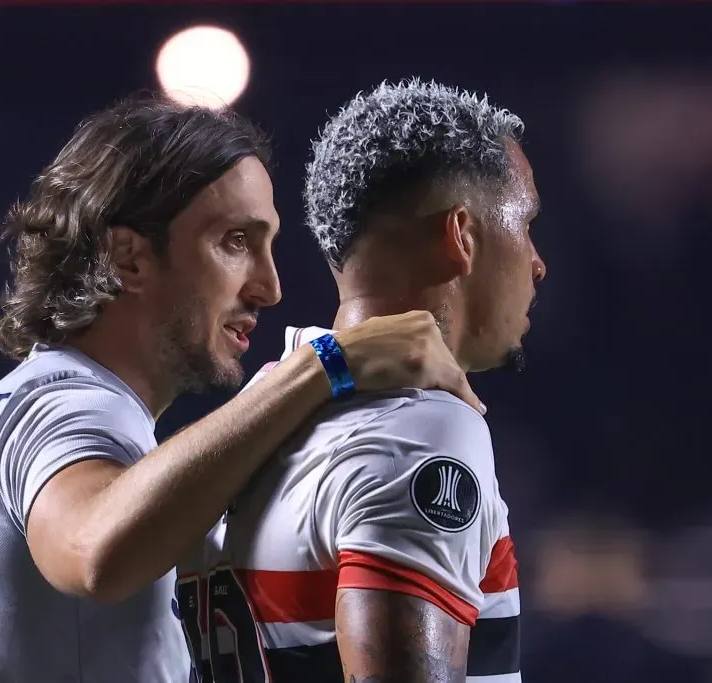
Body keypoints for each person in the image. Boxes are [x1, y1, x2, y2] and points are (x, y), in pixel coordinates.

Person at [0, 94, 483, 683]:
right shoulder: (70, 411)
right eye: (235, 242)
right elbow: (93, 549)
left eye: (269, 247)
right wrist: (324, 365)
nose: (269, 288)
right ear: (129, 257)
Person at [174, 78, 545, 683]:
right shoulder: (422, 427)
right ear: (461, 235)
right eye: (525, 223)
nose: (537, 260)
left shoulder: (257, 410)